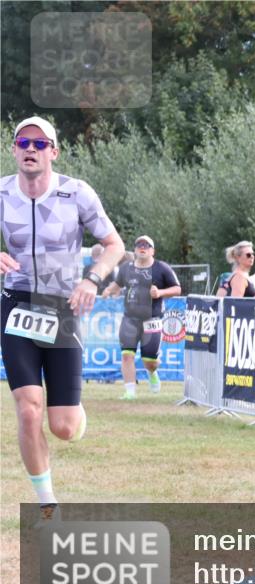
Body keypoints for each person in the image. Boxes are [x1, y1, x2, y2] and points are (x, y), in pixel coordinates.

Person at [1, 116, 125, 522]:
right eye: (24, 142)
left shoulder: (77, 194)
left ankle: (72, 408)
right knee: (28, 407)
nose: (31, 149)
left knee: (64, 427)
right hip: (16, 303)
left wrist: (92, 279)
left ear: (54, 151)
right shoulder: (2, 192)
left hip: (62, 305)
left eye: (40, 143)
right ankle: (47, 501)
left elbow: (113, 244)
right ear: (15, 149)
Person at [102, 235, 181, 399]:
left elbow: (177, 289)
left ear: (153, 250)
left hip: (152, 319)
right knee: (127, 355)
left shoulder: (162, 268)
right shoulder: (126, 268)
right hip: (130, 319)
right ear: (135, 249)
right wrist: (109, 290)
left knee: (149, 361)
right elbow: (117, 284)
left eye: (147, 245)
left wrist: (160, 292)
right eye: (139, 245)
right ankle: (130, 393)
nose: (142, 247)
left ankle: (152, 373)